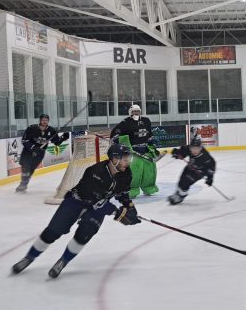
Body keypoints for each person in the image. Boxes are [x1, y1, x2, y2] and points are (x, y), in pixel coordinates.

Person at [11, 144, 139, 278]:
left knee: (84, 235)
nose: (128, 162)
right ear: (114, 159)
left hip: (97, 208)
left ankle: (63, 261)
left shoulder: (126, 174)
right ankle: (29, 257)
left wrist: (129, 206)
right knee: (53, 231)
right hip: (76, 201)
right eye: (125, 159)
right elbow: (94, 199)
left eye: (128, 159)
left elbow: (122, 192)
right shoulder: (95, 171)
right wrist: (117, 213)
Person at [111, 104, 161, 198]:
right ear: (130, 112)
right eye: (134, 111)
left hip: (145, 150)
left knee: (149, 170)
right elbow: (116, 131)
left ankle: (149, 186)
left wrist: (153, 147)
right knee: (134, 172)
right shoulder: (125, 122)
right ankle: (132, 189)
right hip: (133, 151)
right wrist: (116, 137)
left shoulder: (146, 121)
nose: (136, 113)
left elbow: (150, 135)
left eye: (137, 111)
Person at [16, 114, 69, 192]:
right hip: (28, 151)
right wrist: (33, 148)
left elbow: (56, 142)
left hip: (40, 153)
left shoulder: (51, 130)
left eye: (46, 120)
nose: (45, 122)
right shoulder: (32, 128)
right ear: (40, 120)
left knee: (31, 168)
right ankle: (23, 184)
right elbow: (24, 141)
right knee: (25, 167)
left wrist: (62, 138)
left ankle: (25, 183)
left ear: (48, 121)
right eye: (43, 120)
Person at [167, 137, 216, 205]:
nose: (194, 150)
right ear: (190, 147)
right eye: (192, 148)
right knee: (181, 179)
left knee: (185, 182)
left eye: (197, 148)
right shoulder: (188, 149)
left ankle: (181, 196)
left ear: (200, 147)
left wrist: (210, 178)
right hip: (190, 166)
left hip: (199, 172)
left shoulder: (205, 156)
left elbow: (211, 166)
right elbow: (182, 152)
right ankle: (178, 193)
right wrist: (177, 153)